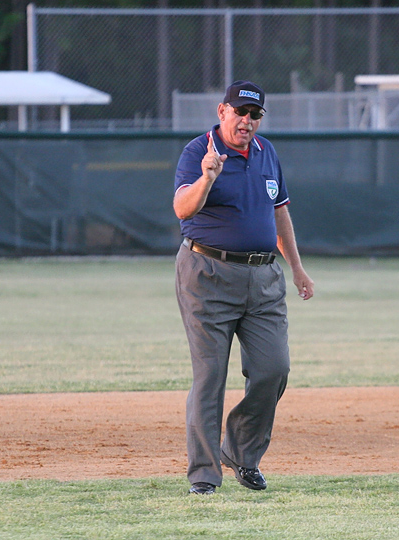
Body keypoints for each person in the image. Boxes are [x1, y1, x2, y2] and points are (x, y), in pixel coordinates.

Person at [173, 80, 314, 495]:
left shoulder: (267, 152)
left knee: (274, 370)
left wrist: (298, 270)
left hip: (263, 277)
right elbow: (183, 208)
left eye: (255, 115)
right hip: (207, 274)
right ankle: (204, 474)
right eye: (240, 112)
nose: (247, 121)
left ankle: (240, 453)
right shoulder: (199, 152)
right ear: (222, 112)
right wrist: (207, 179)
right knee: (210, 376)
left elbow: (280, 214)